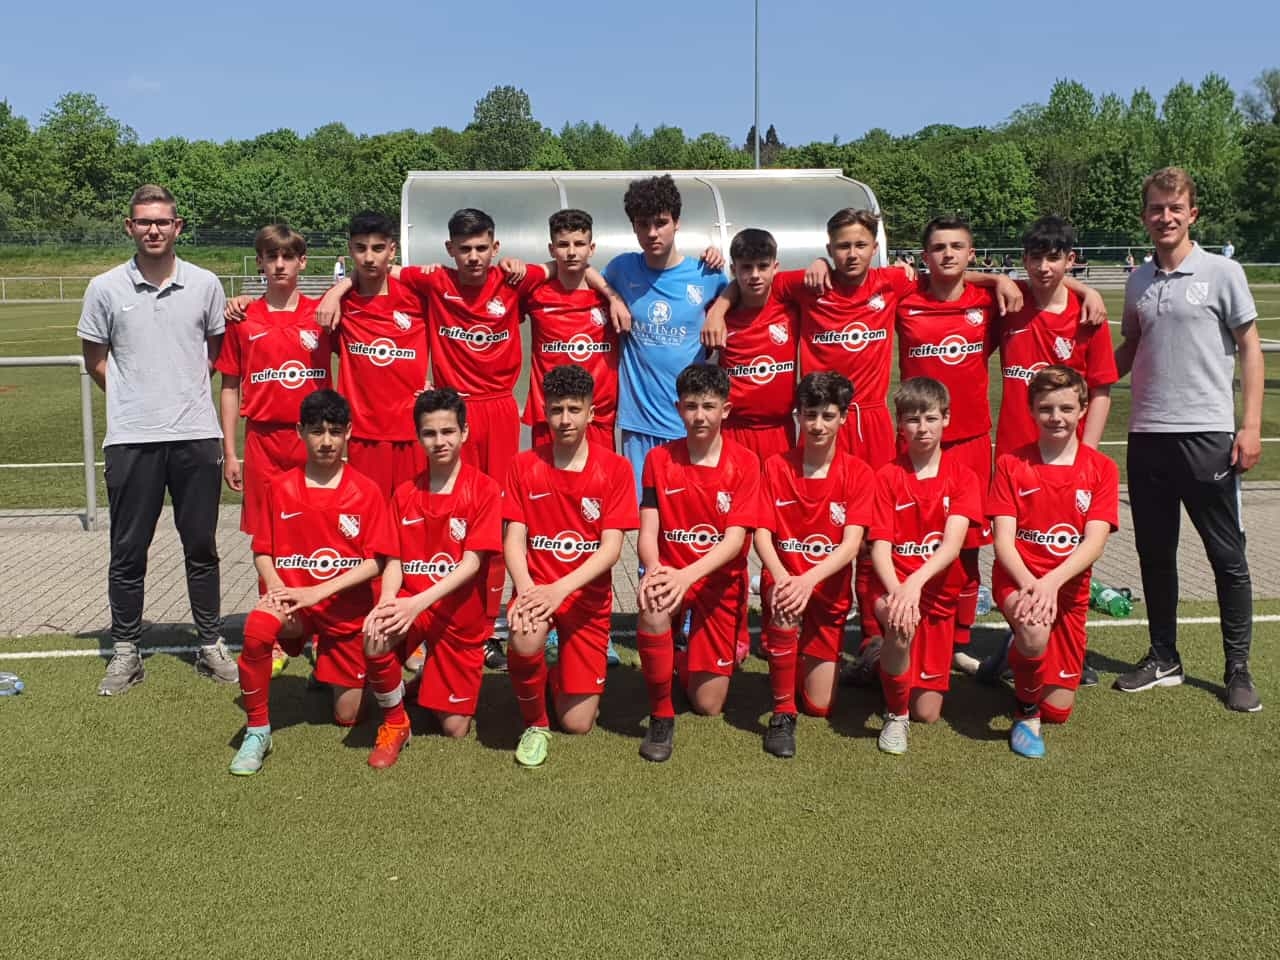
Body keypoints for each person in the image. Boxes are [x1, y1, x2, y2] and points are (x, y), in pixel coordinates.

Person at [1113, 167, 1264, 712]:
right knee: (1155, 554)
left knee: (1227, 557)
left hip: (1207, 436)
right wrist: (1082, 380)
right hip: (1147, 435)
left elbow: (1250, 349)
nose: (1165, 217)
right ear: (1145, 216)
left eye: (1175, 208)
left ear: (1192, 213)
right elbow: (1131, 347)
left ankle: (1237, 668)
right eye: (1156, 208)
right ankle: (1164, 657)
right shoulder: (1137, 280)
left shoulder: (1223, 272)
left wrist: (1250, 426)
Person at [78, 183, 237, 696]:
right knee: (128, 550)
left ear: (177, 227)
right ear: (130, 226)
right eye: (144, 221)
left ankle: (209, 642)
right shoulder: (104, 287)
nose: (153, 229)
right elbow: (95, 359)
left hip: (196, 436)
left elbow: (215, 354)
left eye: (162, 221)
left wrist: (180, 392)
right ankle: (126, 650)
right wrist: (136, 398)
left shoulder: (205, 284)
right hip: (131, 439)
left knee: (201, 546)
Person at [229, 389, 400, 775]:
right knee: (257, 627)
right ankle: (257, 731)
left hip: (344, 612)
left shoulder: (366, 491)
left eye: (335, 432)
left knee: (348, 716)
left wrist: (317, 591)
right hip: (294, 607)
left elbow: (376, 561)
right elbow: (262, 551)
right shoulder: (280, 488)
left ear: (348, 432)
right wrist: (276, 587)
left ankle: (331, 667)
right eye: (317, 431)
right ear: (300, 431)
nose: (326, 441)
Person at [503, 366, 639, 767]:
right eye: (557, 409)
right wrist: (527, 590)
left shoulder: (615, 468)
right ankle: (536, 724)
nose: (565, 419)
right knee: (525, 635)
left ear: (591, 413)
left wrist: (559, 590)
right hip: (536, 589)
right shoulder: (523, 465)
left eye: (574, 410)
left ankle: (560, 671)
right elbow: (514, 539)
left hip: (585, 601)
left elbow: (611, 550)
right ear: (544, 411)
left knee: (578, 723)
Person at [362, 388, 503, 761]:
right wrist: (389, 601)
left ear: (464, 433)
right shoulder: (405, 493)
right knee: (376, 635)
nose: (439, 441)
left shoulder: (485, 490)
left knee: (454, 728)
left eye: (448, 431)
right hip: (414, 606)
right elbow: (394, 560)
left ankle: (428, 679)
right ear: (418, 436)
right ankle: (395, 723)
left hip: (459, 616)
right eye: (429, 433)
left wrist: (416, 603)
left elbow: (472, 564)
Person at [988, 366, 1119, 758]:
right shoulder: (1011, 464)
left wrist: (1051, 584)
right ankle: (1026, 716)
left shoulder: (1102, 469)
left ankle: (1014, 651)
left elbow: (1094, 543)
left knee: (1059, 711)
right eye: (1046, 408)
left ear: (1082, 410)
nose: (1056, 417)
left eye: (1066, 408)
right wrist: (1032, 584)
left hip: (1067, 589)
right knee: (1034, 630)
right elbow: (1003, 542)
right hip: (1019, 580)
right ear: (1031, 410)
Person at [635, 363, 763, 762]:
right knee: (652, 605)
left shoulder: (746, 463)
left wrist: (686, 576)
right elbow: (647, 531)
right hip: (671, 574)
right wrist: (655, 570)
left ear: (726, 409)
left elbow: (735, 542)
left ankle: (681, 655)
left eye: (709, 406)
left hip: (716, 584)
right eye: (691, 406)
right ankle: (661, 715)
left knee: (708, 705)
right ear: (678, 408)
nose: (700, 416)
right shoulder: (658, 459)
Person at [754, 372, 875, 758]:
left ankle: (806, 659)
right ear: (799, 415)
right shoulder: (775, 466)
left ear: (844, 417)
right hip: (785, 581)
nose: (818, 425)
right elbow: (761, 535)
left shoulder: (858, 473)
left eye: (827, 415)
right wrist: (785, 578)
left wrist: (808, 580)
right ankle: (782, 714)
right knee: (785, 604)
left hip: (826, 590)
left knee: (820, 706)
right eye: (810, 415)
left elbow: (851, 545)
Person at [869, 378, 982, 755]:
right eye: (912, 419)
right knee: (899, 621)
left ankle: (878, 659)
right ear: (899, 423)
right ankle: (895, 716)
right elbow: (880, 549)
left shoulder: (963, 477)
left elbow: (951, 547)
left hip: (934, 596)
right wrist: (899, 592)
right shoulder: (886, 476)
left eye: (931, 418)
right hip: (893, 587)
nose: (922, 428)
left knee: (928, 713)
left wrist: (914, 586)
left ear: (946, 419)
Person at [603, 175, 728, 498]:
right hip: (639, 424)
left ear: (677, 223)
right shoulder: (621, 269)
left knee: (687, 514)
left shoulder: (705, 273)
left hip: (690, 422)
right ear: (633, 227)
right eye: (643, 224)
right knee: (642, 513)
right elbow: (581, 273)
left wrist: (717, 311)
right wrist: (614, 298)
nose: (652, 233)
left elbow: (740, 289)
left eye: (661, 223)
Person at [317, 211, 430, 499]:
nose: (369, 258)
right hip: (363, 433)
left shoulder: (418, 296)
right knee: (370, 515)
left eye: (378, 248)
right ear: (350, 249)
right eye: (361, 248)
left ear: (392, 250)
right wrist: (337, 291)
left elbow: (452, 338)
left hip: (413, 428)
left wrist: (436, 382)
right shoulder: (340, 304)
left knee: (412, 515)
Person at [993, 216, 1117, 463]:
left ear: (1070, 260)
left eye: (1052, 258)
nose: (1043, 267)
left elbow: (1100, 390)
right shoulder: (1008, 302)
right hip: (1013, 452)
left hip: (1068, 453)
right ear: (1024, 260)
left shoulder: (1089, 315)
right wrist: (997, 278)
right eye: (1036, 258)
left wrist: (1088, 454)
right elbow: (956, 276)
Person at [520, 209, 621, 451]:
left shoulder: (612, 296)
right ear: (551, 249)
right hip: (550, 415)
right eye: (563, 245)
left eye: (579, 244)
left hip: (597, 416)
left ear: (592, 248)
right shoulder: (535, 294)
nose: (572, 252)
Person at [713, 227, 798, 460]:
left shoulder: (791, 305)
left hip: (780, 430)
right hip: (733, 429)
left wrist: (821, 262)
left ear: (775, 267)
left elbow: (826, 275)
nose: (755, 275)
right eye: (746, 267)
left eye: (762, 266)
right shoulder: (720, 317)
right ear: (733, 270)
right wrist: (717, 311)